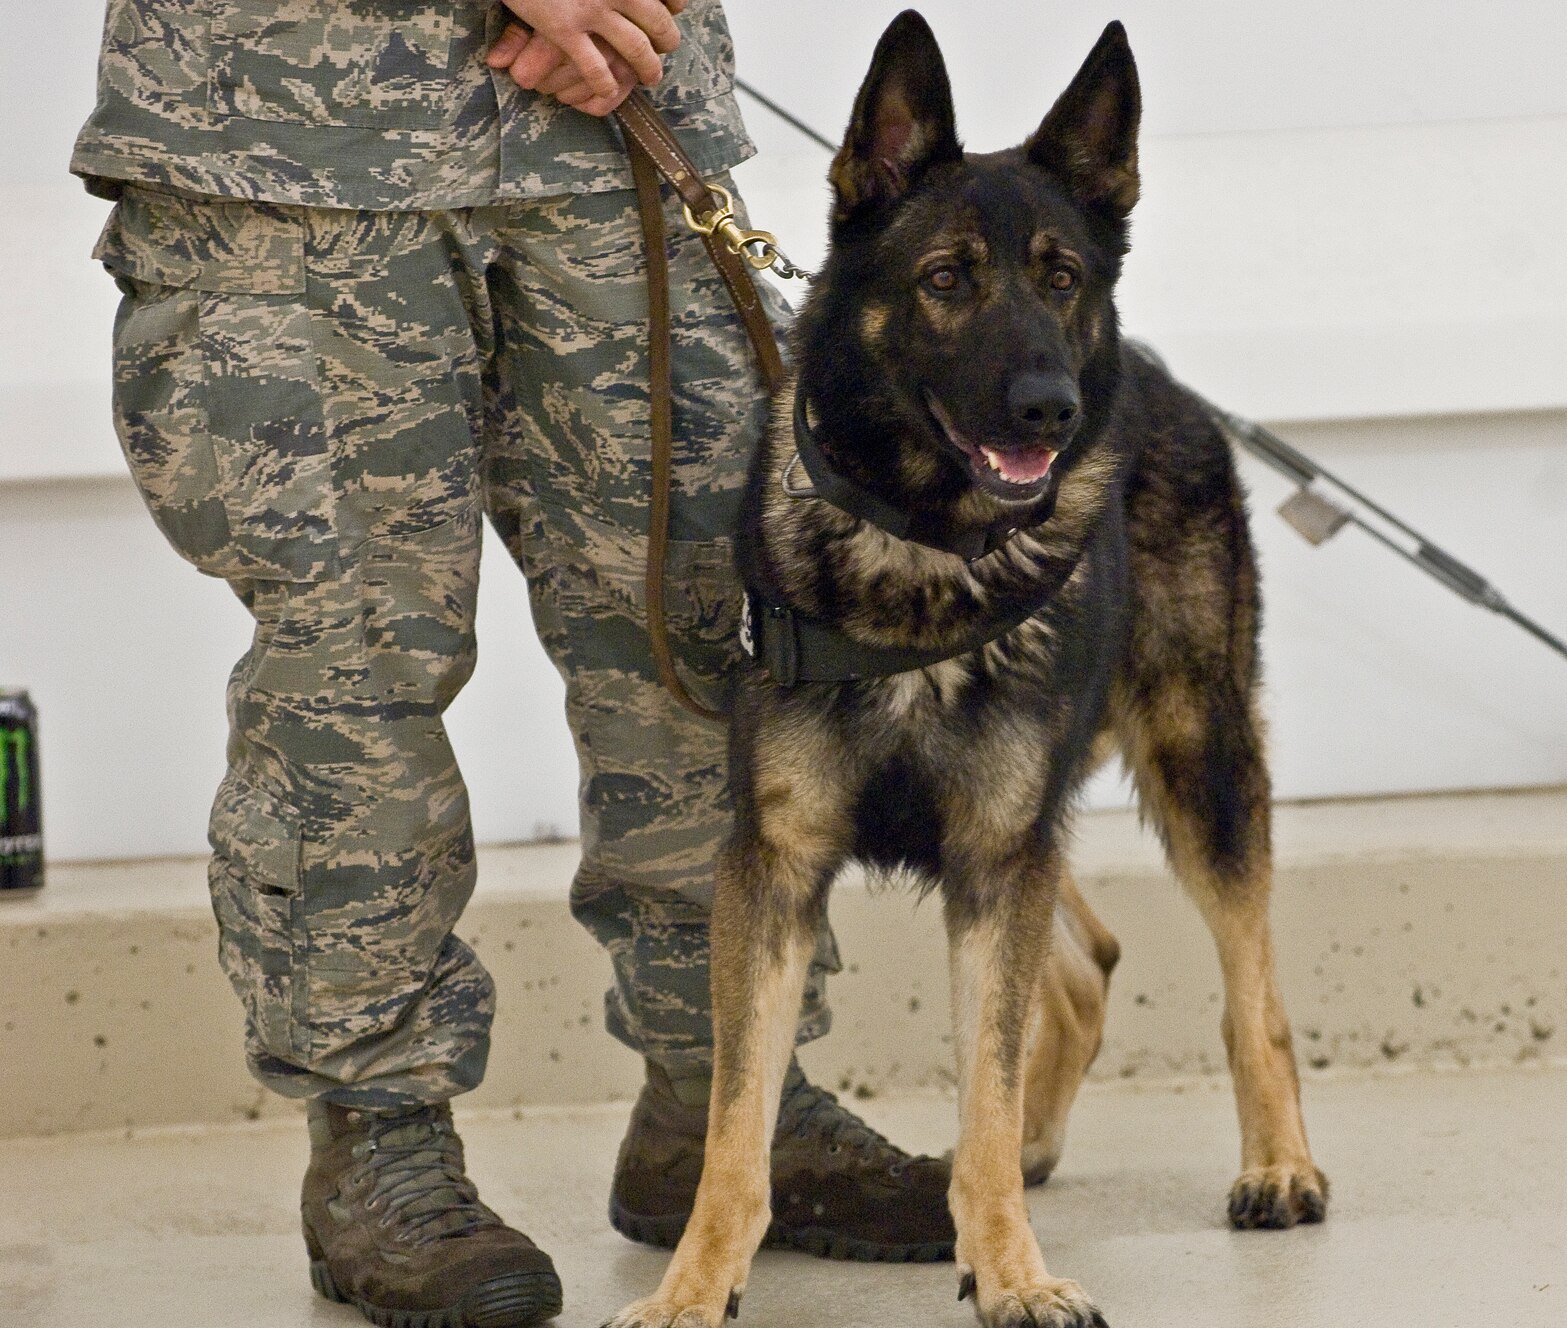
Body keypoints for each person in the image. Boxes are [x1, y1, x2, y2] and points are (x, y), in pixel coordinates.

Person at [72, 2, 952, 1324]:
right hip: (293, 132)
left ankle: (723, 1105)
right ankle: (382, 1138)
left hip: (614, 120)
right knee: (353, 645)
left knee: (712, 611)